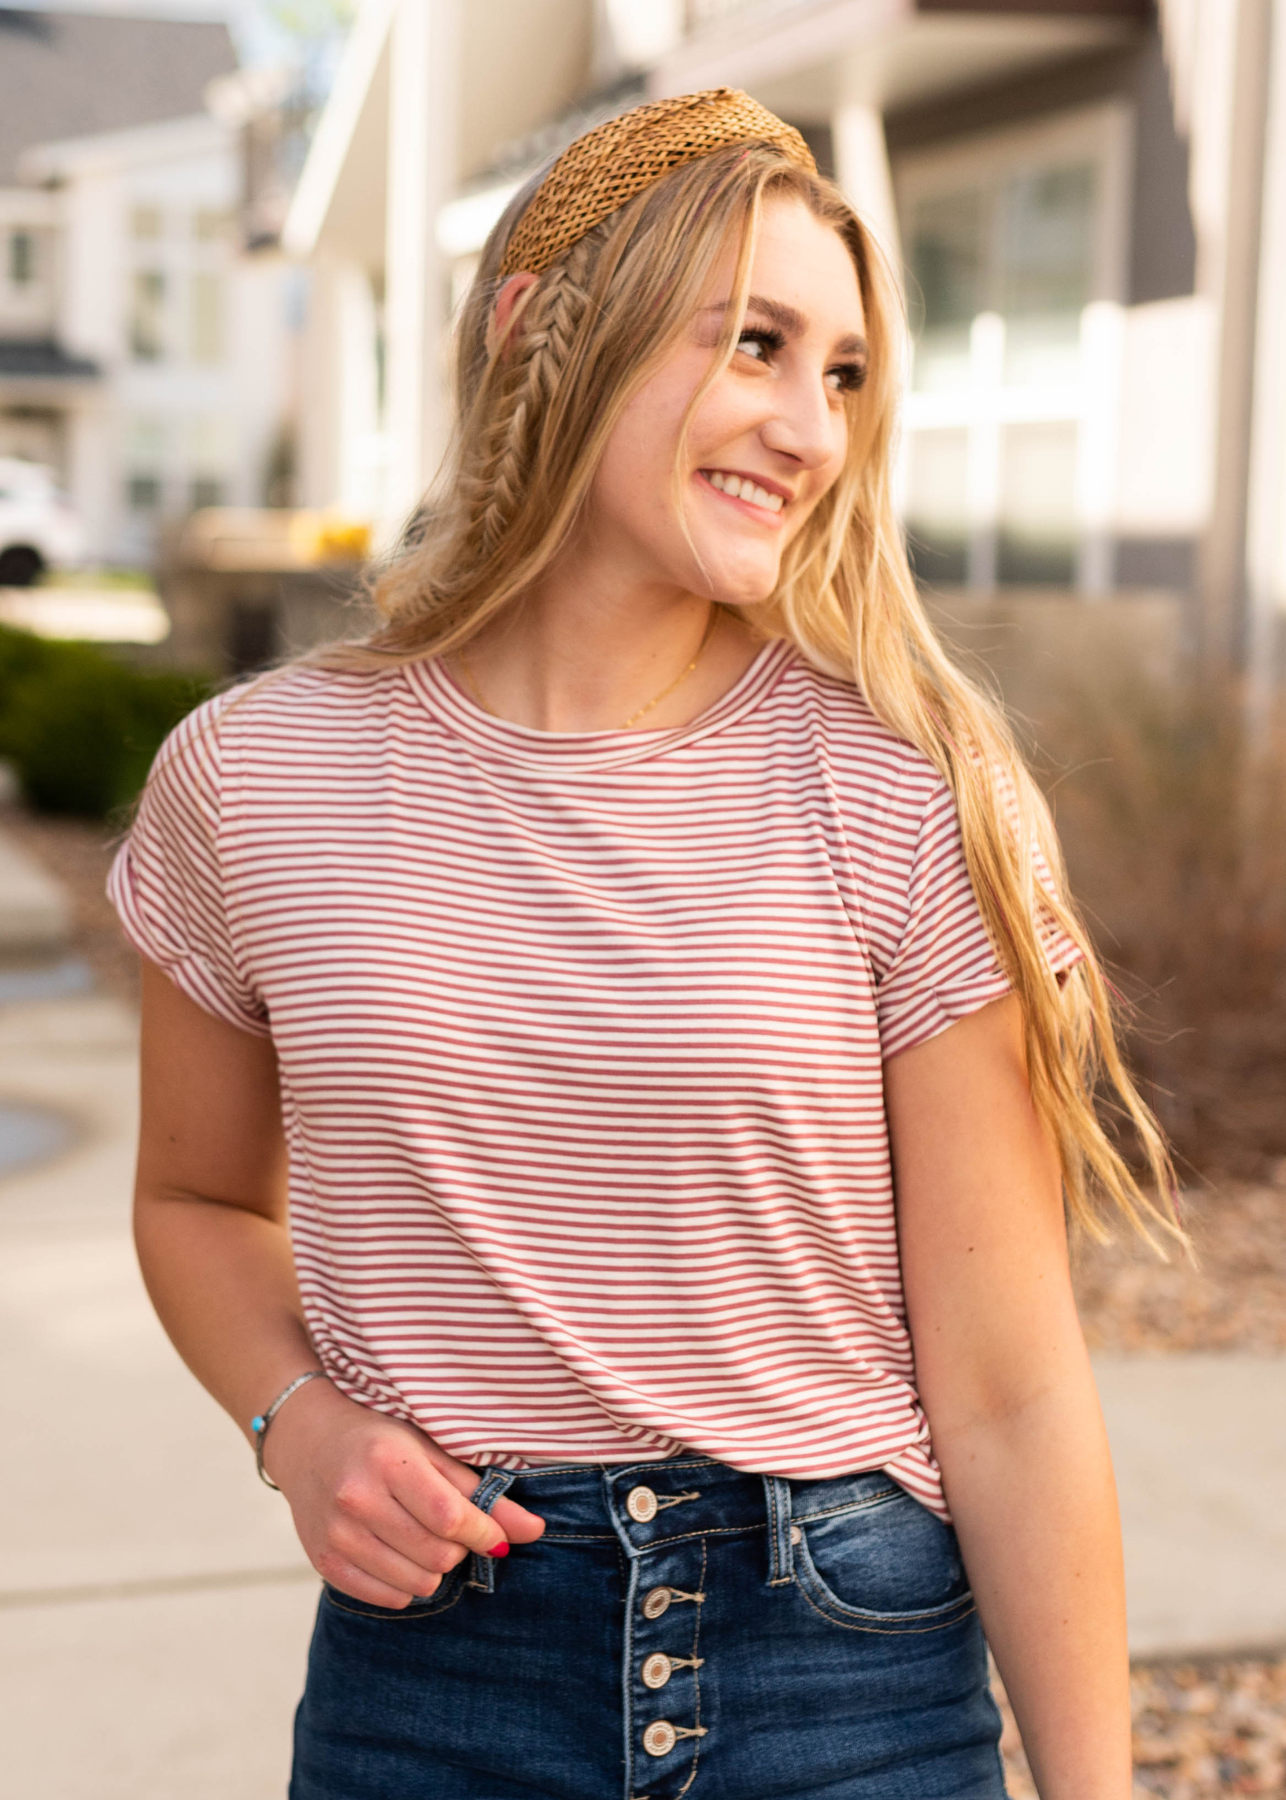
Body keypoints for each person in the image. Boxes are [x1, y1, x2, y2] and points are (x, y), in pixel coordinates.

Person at [110, 89, 1181, 1800]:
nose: (808, 427)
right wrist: (293, 1423)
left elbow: (1011, 1387)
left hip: (844, 1685)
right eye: (752, 343)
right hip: (433, 1679)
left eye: (838, 374)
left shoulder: (901, 789)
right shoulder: (253, 781)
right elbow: (196, 1202)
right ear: (545, 327)